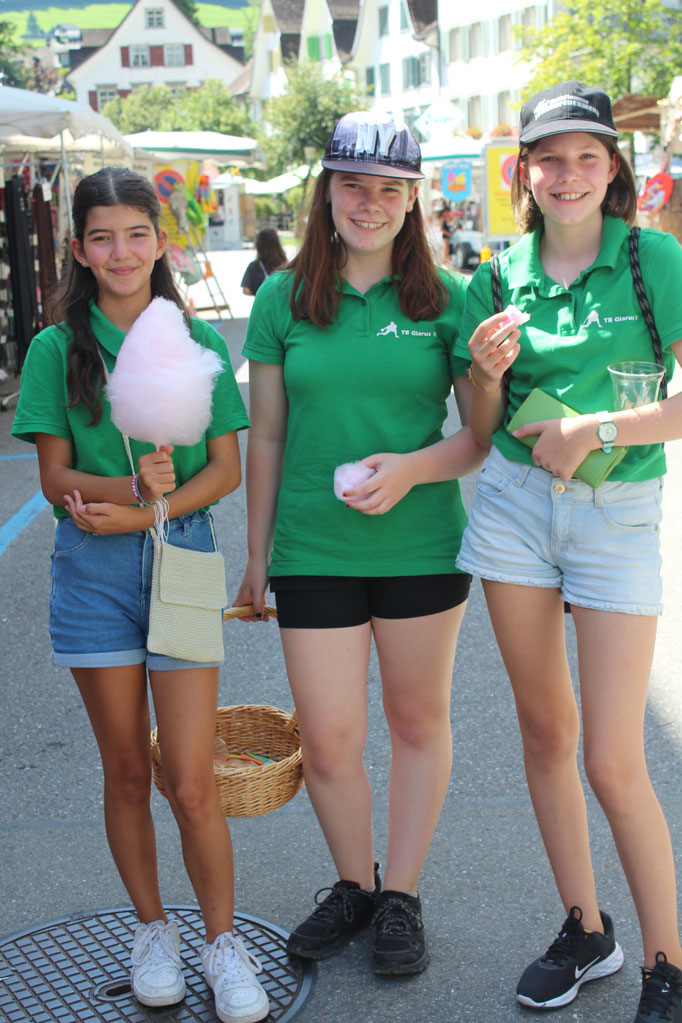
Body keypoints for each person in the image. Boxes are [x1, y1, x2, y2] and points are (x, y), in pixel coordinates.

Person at [234, 111, 517, 975]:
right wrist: (257, 554)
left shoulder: (448, 301)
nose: (369, 202)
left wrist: (414, 465)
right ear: (328, 192)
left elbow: (477, 438)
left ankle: (401, 894)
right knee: (326, 736)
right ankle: (353, 883)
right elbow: (269, 437)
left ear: (412, 198)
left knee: (416, 719)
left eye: (388, 188)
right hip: (311, 549)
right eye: (353, 184)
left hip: (422, 548)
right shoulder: (283, 297)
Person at [11, 167, 269, 1023]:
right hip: (91, 577)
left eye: (135, 233)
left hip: (184, 562)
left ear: (159, 241)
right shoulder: (56, 349)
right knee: (126, 770)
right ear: (79, 249)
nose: (119, 251)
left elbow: (226, 469)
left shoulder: (192, 347)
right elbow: (53, 477)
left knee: (191, 781)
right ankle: (152, 928)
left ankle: (222, 942)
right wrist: (125, 487)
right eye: (101, 236)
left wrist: (152, 505)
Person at [455, 81, 682, 1022]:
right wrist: (481, 369)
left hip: (616, 512)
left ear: (613, 167)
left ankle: (670, 961)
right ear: (524, 174)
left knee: (614, 758)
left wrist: (594, 426)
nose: (568, 173)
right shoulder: (496, 276)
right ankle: (586, 931)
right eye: (549, 158)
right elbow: (477, 428)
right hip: (512, 507)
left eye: (587, 155)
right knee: (546, 734)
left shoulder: (655, 260)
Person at [240, 228, 287, 297]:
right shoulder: (284, 264)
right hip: (281, 305)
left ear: (259, 245)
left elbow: (246, 290)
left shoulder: (254, 266)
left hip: (262, 305)